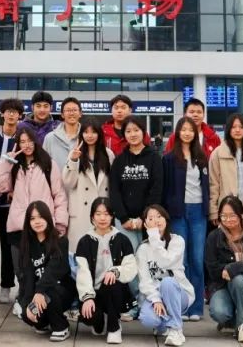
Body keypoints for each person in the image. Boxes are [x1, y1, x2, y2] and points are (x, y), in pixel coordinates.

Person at [0, 126, 69, 315]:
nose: (26, 145)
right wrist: (6, 161)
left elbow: (59, 195)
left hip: (42, 226)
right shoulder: (14, 165)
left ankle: (39, 300)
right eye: (22, 141)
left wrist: (60, 222)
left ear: (36, 142)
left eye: (29, 141)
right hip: (19, 225)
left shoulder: (48, 164)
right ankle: (24, 299)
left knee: (40, 267)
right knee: (21, 268)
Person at [162, 117, 210, 321]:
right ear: (178, 132)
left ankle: (196, 307)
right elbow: (165, 188)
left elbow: (207, 186)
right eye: (184, 129)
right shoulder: (169, 159)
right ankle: (182, 304)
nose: (187, 133)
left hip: (198, 211)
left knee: (197, 259)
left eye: (191, 130)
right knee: (180, 260)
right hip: (177, 212)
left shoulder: (202, 157)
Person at [74, 197, 138, 344]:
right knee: (89, 317)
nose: (102, 218)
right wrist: (87, 297)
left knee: (111, 282)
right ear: (92, 217)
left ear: (112, 216)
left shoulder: (122, 240)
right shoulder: (84, 242)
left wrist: (115, 271)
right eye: (98, 214)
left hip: (116, 292)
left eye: (106, 214)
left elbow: (131, 267)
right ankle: (100, 321)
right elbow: (83, 272)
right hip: (95, 293)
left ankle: (114, 328)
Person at [205, 195, 243, 343]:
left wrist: (232, 269)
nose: (228, 219)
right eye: (223, 216)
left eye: (232, 215)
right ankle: (233, 320)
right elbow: (212, 267)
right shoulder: (214, 237)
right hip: (221, 285)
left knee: (238, 279)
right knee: (219, 312)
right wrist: (227, 271)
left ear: (241, 214)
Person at [136, 204, 193, 347]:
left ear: (166, 219)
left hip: (179, 294)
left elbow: (166, 262)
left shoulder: (177, 241)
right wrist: (156, 299)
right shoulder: (143, 249)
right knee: (148, 319)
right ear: (145, 224)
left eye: (159, 216)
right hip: (158, 296)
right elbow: (144, 280)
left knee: (167, 282)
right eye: (151, 218)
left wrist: (154, 237)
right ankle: (163, 326)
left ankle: (176, 329)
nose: (156, 220)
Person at [18, 200, 75, 342]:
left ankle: (61, 327)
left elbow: (54, 270)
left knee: (49, 293)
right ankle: (46, 322)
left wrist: (39, 291)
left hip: (61, 290)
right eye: (32, 218)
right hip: (39, 294)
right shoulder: (26, 245)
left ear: (48, 218)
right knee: (27, 315)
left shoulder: (60, 240)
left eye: (40, 217)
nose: (37, 221)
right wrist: (26, 304)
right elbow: (28, 277)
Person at [62, 117, 115, 256]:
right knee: (81, 255)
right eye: (86, 132)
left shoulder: (108, 154)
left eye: (93, 132)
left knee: (103, 254)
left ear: (99, 134)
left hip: (103, 212)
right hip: (81, 212)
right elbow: (68, 183)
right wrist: (73, 160)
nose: (89, 136)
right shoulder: (75, 154)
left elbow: (112, 184)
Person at [109, 116, 163, 249]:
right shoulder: (119, 160)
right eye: (128, 131)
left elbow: (157, 189)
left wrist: (144, 217)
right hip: (124, 222)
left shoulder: (154, 158)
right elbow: (114, 191)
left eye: (136, 130)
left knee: (149, 257)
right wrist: (123, 218)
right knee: (127, 257)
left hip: (149, 220)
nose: (132, 134)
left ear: (143, 132)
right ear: (124, 135)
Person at [0, 98, 23, 302]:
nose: (11, 115)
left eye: (15, 112)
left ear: (20, 115)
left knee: (8, 243)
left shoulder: (22, 137)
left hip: (10, 199)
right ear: (2, 113)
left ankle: (6, 284)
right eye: (8, 111)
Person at [44, 96, 84, 171]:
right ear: (62, 114)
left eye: (74, 110)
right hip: (56, 178)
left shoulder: (86, 137)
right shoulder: (50, 138)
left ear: (80, 113)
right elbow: (44, 164)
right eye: (68, 110)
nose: (71, 113)